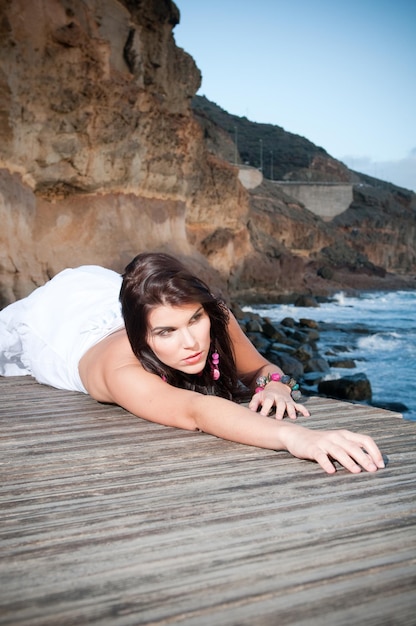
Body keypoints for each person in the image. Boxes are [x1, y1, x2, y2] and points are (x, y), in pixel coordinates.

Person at [0, 252, 385, 474]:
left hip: (115, 295)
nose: (190, 343)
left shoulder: (211, 314)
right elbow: (198, 410)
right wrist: (296, 436)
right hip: (61, 319)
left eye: (194, 321)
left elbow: (263, 367)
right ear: (142, 337)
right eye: (166, 333)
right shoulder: (120, 371)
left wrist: (278, 385)